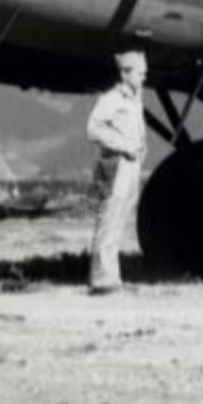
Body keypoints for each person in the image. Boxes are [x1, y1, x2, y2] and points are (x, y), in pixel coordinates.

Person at [86, 50, 148, 293]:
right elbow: (93, 129)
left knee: (119, 219)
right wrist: (125, 146)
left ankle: (112, 277)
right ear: (125, 73)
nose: (144, 77)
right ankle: (102, 280)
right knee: (109, 218)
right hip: (117, 165)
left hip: (131, 164)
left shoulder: (135, 99)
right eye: (140, 72)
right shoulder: (111, 99)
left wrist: (140, 150)